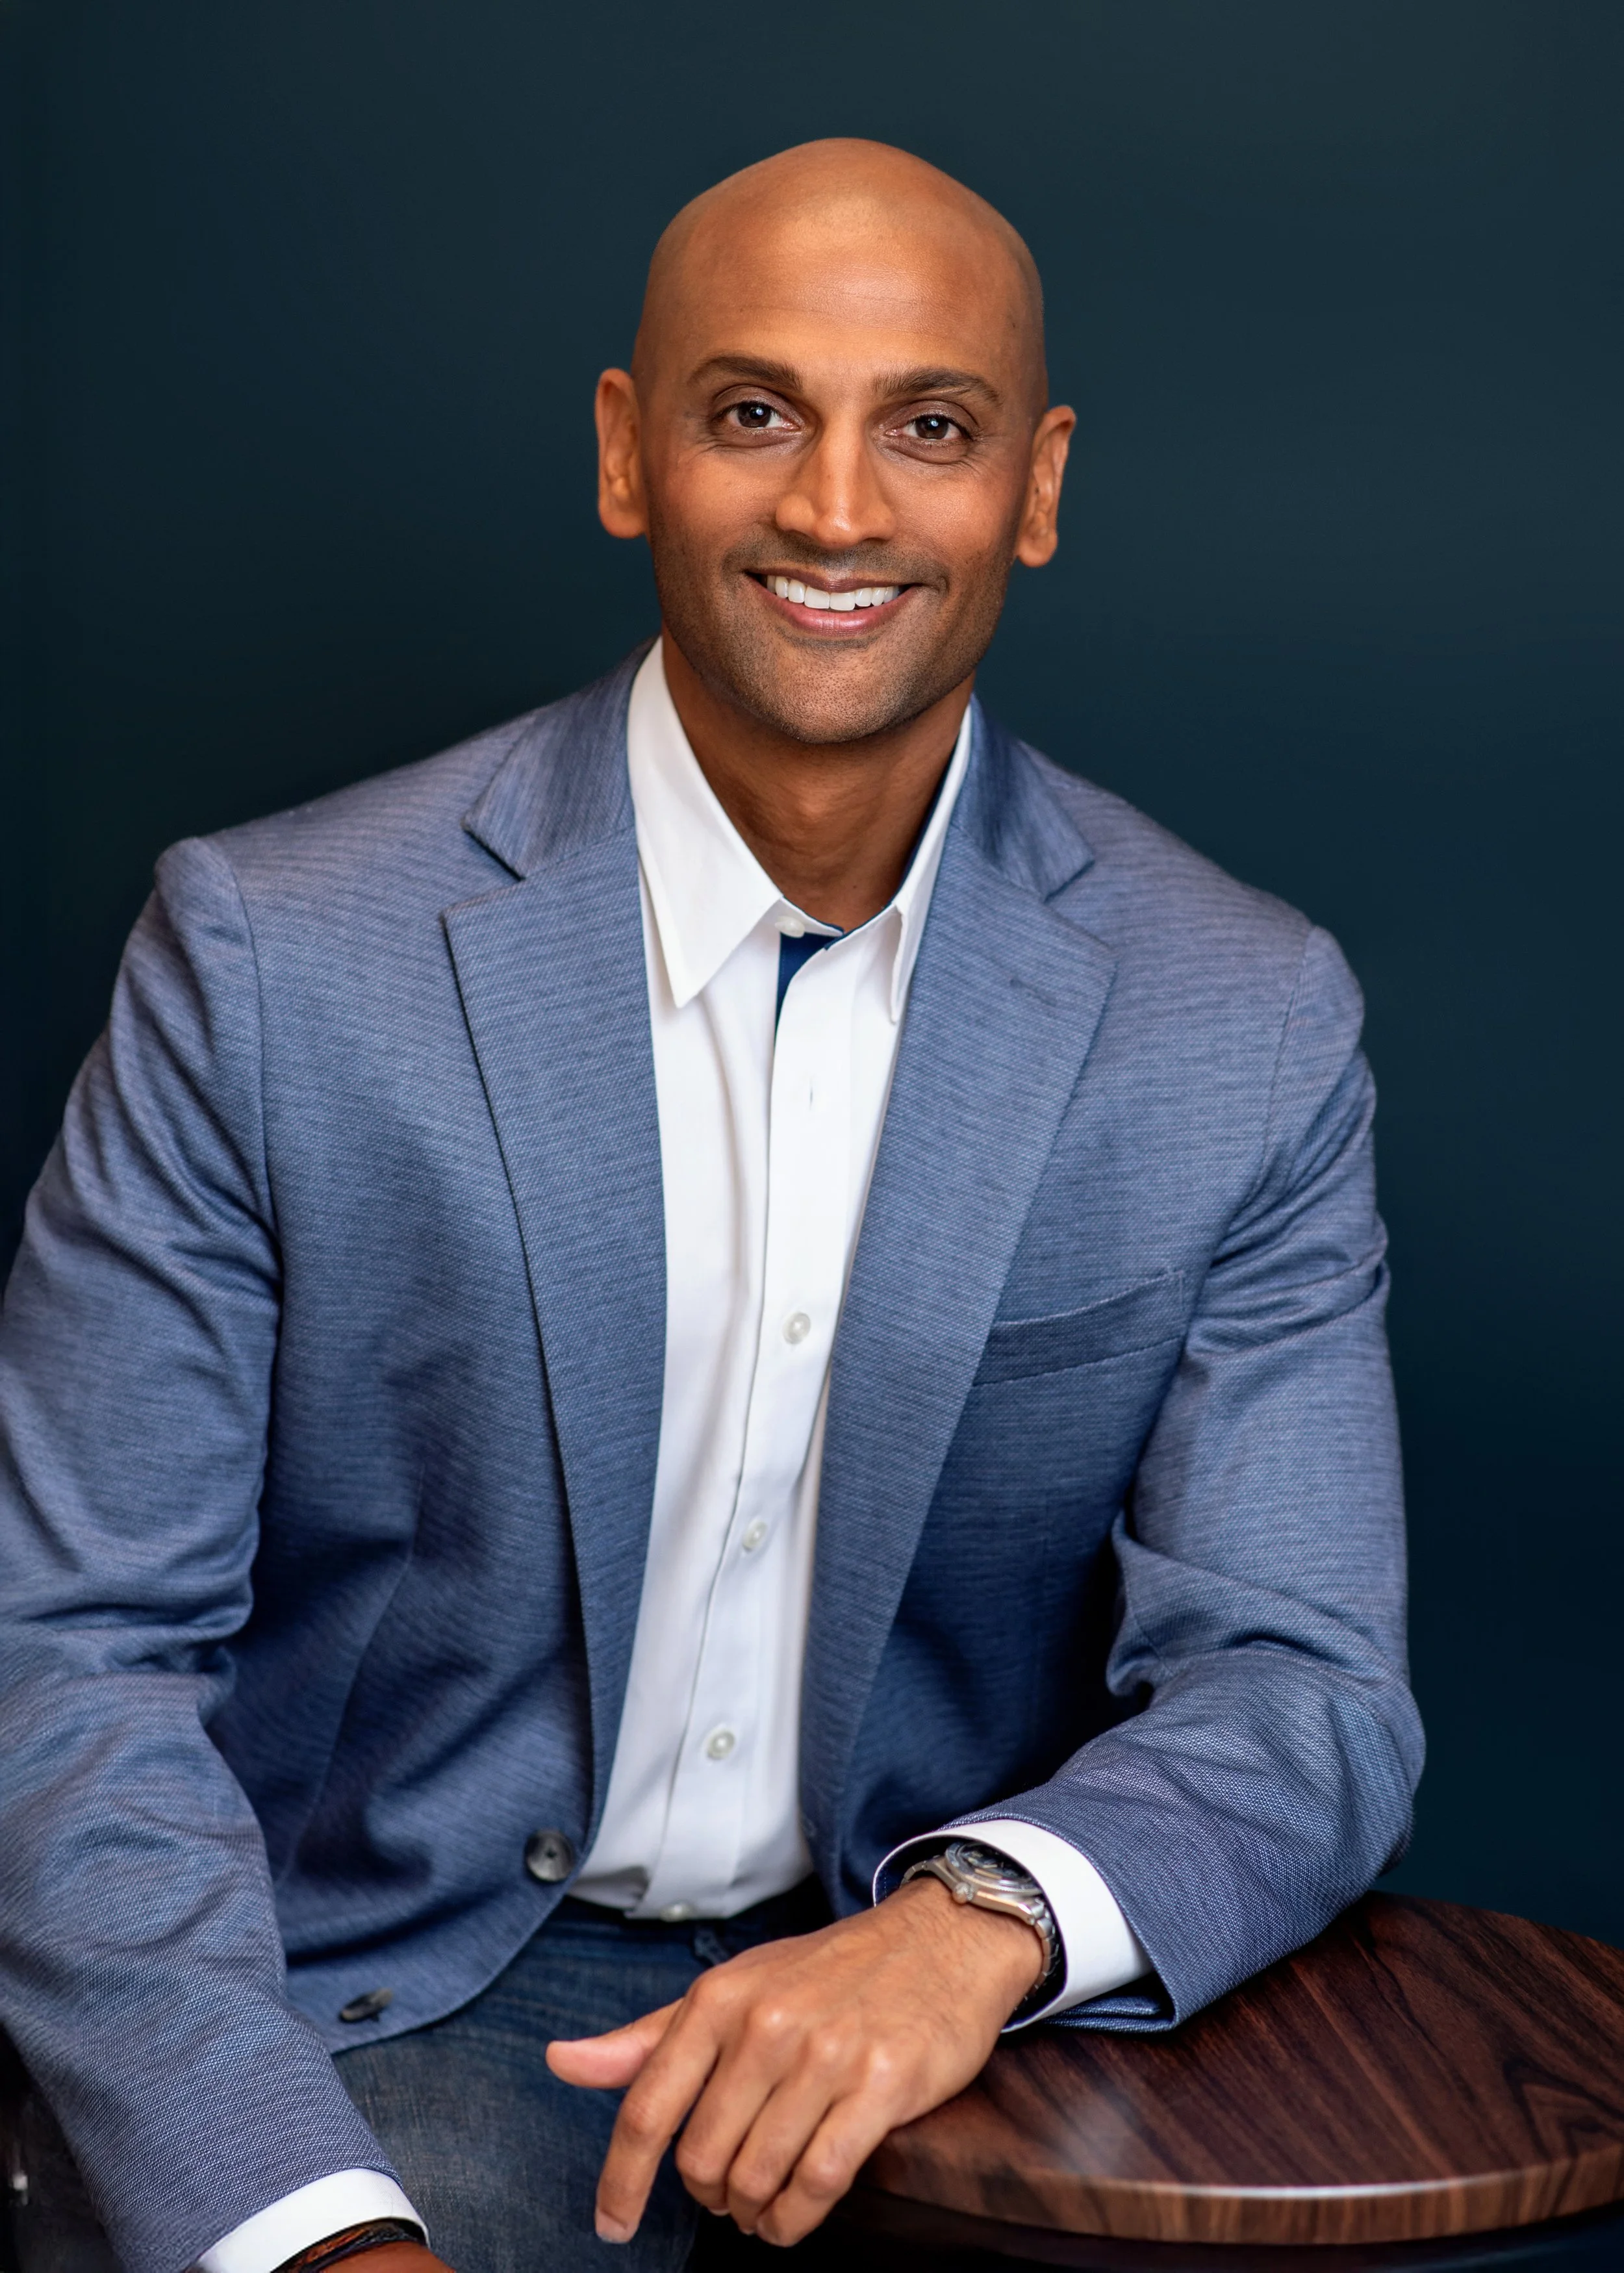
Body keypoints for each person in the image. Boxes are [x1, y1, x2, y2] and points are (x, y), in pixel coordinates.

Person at [0, 138, 1421, 2273]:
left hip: (970, 2024)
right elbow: (72, 1658)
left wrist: (978, 1928)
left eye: (925, 429)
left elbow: (1308, 1682)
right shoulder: (273, 959)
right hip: (402, 2006)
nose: (838, 508)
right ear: (624, 453)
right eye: (754, 411)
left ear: (1031, 487)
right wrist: (294, 2221)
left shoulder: (1238, 1015)